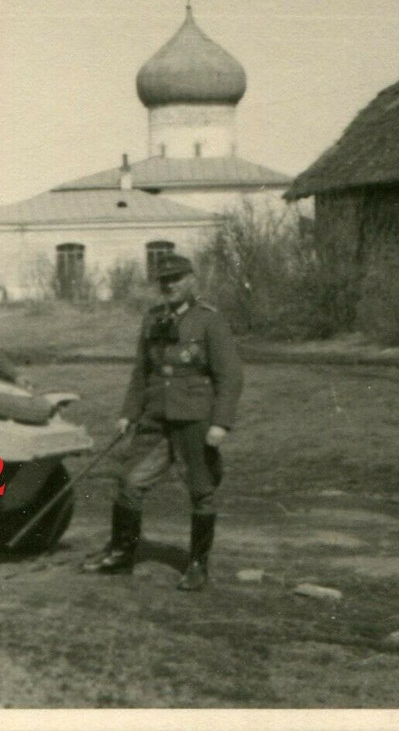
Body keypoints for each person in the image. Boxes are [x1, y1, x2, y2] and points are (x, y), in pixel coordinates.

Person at [81, 253, 243, 591]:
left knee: (201, 491)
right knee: (129, 481)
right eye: (164, 281)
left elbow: (230, 376)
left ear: (191, 280)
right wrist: (128, 413)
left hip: (195, 420)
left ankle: (198, 564)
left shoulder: (209, 321)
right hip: (155, 418)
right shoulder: (152, 319)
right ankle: (122, 555)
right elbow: (142, 372)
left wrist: (221, 424)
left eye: (177, 279)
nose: (169, 285)